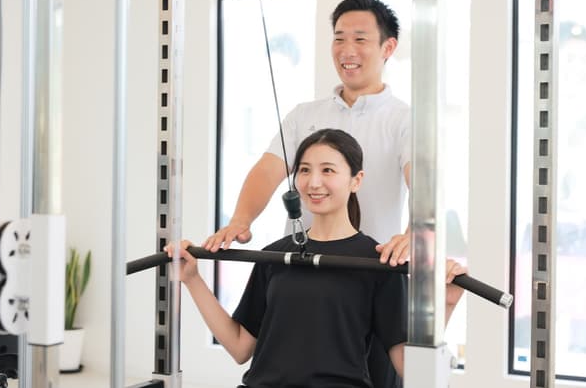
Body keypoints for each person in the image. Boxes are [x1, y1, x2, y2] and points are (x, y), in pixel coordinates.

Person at [204, 0, 413, 388]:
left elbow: (421, 180)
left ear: (388, 48)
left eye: (360, 39)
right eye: (339, 38)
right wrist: (240, 220)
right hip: (302, 270)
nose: (347, 50)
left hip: (368, 281)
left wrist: (414, 232)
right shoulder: (306, 115)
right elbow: (267, 171)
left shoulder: (404, 119)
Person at [168, 129, 466, 387]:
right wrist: (192, 279)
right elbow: (239, 347)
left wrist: (446, 305)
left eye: (328, 170)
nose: (313, 182)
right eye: (304, 170)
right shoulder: (274, 255)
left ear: (356, 180)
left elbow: (410, 369)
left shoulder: (377, 262)